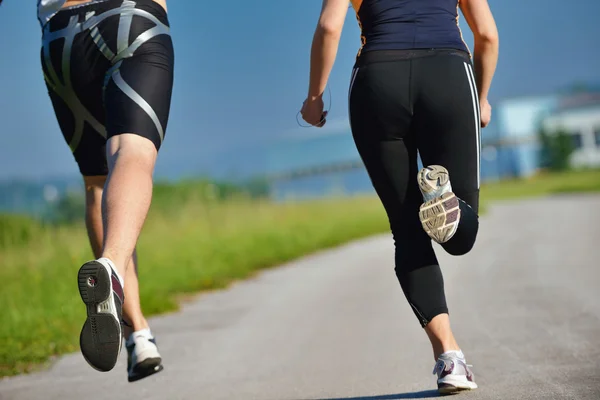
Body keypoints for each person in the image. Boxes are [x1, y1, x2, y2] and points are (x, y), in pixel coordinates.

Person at [301, 0, 498, 394]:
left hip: (377, 81)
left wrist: (314, 97)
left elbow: (328, 28)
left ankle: (449, 359)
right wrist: (481, 97)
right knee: (462, 233)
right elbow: (488, 34)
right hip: (448, 74)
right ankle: (444, 197)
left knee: (407, 229)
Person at [38, 0, 174, 382]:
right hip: (131, 22)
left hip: (60, 39)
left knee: (96, 183)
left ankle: (139, 336)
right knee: (131, 151)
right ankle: (111, 267)